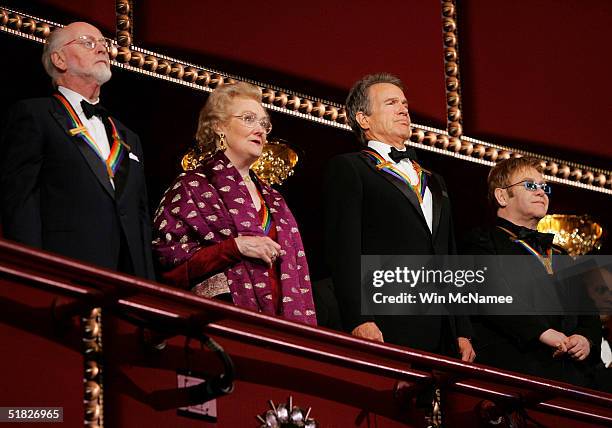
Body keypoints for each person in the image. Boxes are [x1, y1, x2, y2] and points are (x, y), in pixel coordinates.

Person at [324, 73, 474, 361]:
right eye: (391, 103)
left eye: (404, 103)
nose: (404, 109)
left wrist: (461, 328)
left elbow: (450, 255)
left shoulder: (435, 180)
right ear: (363, 119)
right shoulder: (349, 168)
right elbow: (344, 249)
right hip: (385, 321)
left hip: (441, 329)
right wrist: (358, 318)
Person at [152, 82, 317, 326]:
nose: (260, 130)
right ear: (219, 126)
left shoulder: (275, 200)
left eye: (264, 123)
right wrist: (234, 247)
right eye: (249, 119)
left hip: (282, 330)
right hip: (220, 327)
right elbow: (165, 264)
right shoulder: (192, 186)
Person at [0, 22, 155, 279]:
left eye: (104, 44)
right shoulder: (34, 115)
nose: (102, 50)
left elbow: (140, 217)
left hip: (125, 281)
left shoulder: (129, 137)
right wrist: (31, 273)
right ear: (59, 59)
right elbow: (20, 201)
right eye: (88, 42)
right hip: (64, 270)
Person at [462, 156, 601, 386]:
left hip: (571, 381)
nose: (541, 192)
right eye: (529, 185)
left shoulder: (561, 254)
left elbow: (589, 311)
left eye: (543, 186)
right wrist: (544, 333)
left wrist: (585, 340)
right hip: (514, 375)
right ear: (502, 196)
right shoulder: (481, 242)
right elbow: (493, 296)